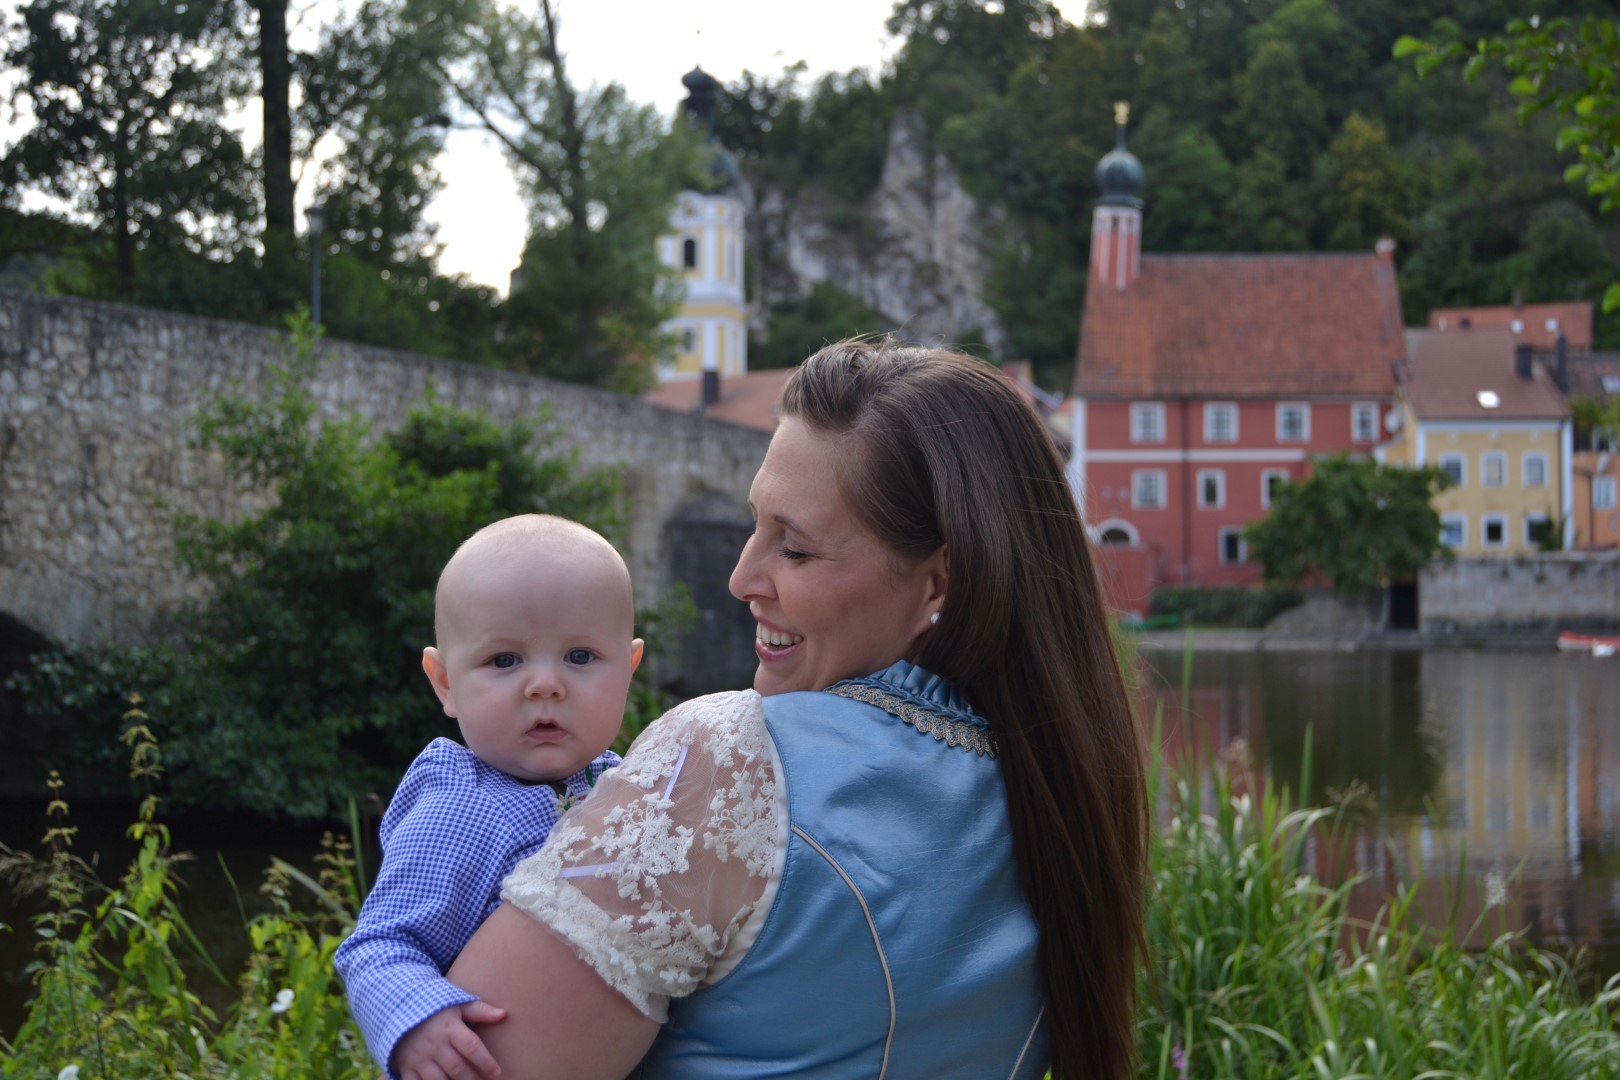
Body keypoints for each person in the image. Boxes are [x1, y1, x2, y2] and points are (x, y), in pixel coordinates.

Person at [446, 340, 1149, 1079]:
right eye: (756, 526)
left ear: (938, 585)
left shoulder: (727, 760)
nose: (742, 576)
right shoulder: (1066, 790)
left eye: (798, 550)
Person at [335, 514, 644, 1080]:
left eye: (580, 657)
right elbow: (381, 946)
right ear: (445, 683)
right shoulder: (460, 809)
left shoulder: (627, 784)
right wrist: (418, 1023)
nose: (544, 684)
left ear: (627, 670)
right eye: (505, 660)